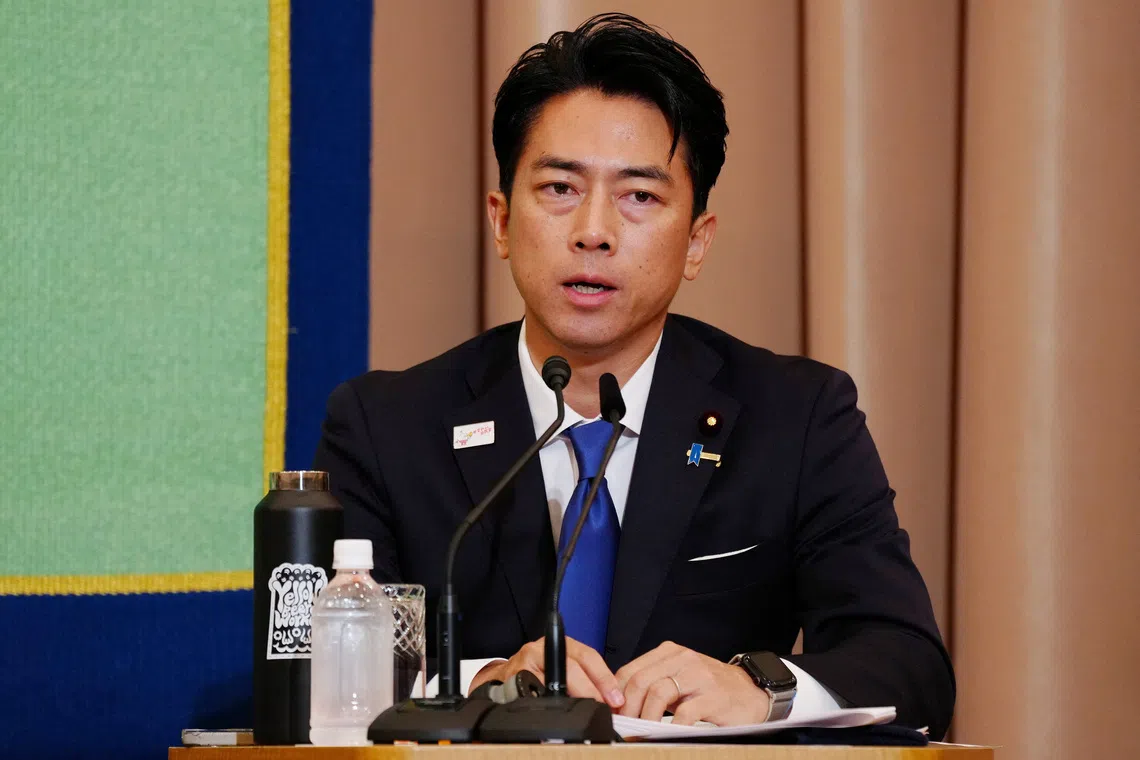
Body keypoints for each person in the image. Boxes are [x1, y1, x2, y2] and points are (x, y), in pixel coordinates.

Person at [314, 12, 954, 738]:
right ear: (500, 220)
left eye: (640, 197)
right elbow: (317, 674)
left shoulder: (798, 418)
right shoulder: (386, 425)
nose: (594, 230)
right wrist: (483, 682)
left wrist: (759, 686)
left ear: (696, 241)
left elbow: (910, 663)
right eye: (559, 188)